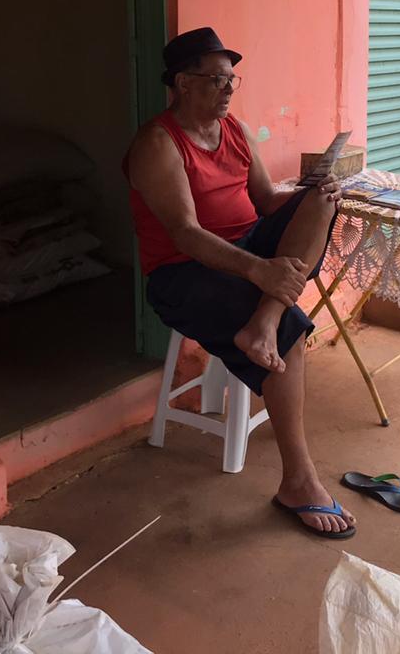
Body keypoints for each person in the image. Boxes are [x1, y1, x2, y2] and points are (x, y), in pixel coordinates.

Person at [124, 27, 356, 539]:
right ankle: (298, 481)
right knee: (292, 333)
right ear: (183, 83)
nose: (229, 90)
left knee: (320, 202)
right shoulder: (157, 144)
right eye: (216, 80)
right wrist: (259, 269)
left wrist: (307, 194)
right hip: (183, 274)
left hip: (247, 252)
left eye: (233, 79)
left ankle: (264, 321)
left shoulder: (234, 129)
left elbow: (266, 202)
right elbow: (185, 235)